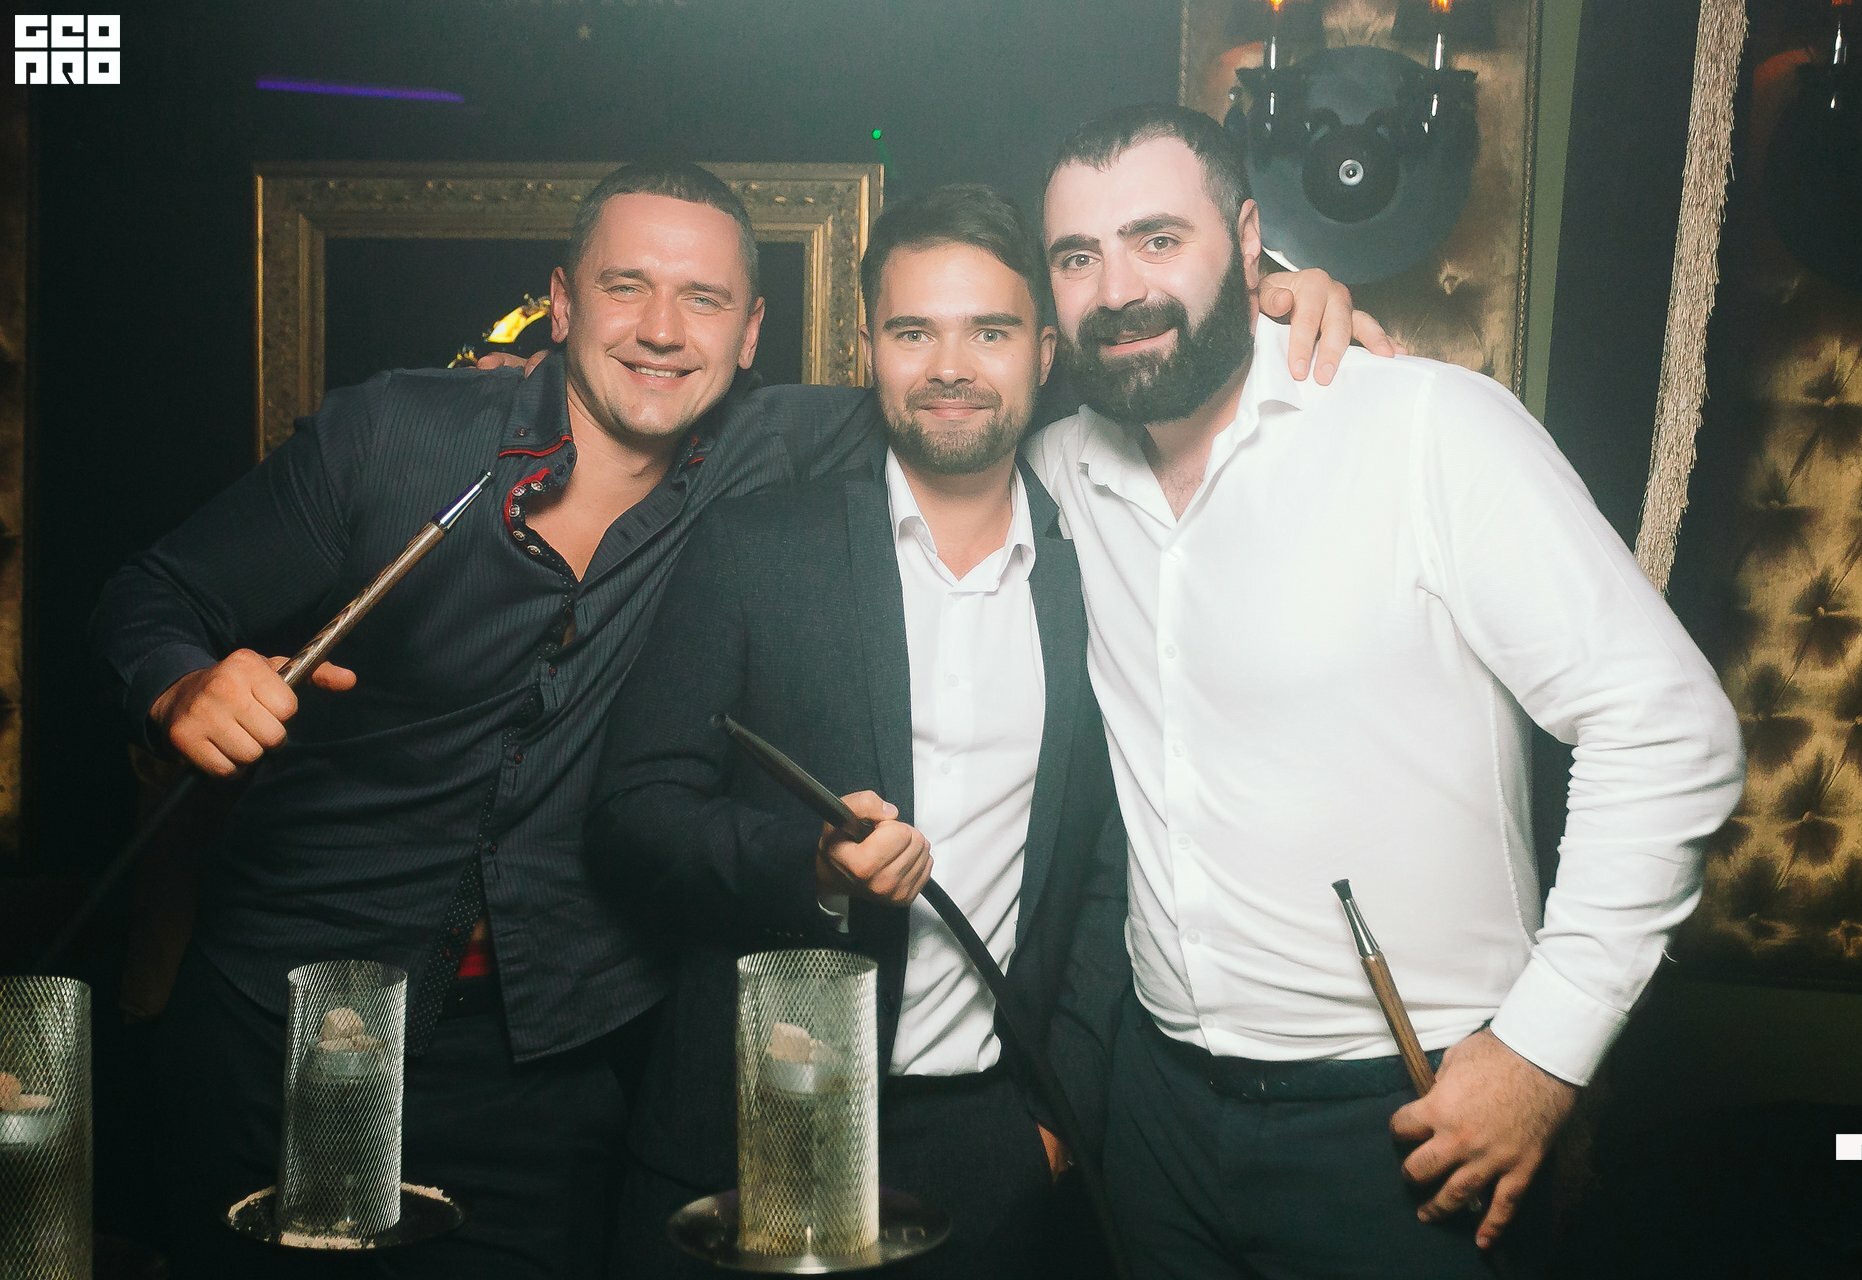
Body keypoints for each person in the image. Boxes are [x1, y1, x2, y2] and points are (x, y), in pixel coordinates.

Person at [89, 154, 1381, 1277]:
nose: (662, 331)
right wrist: (181, 683)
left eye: (703, 298)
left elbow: (985, 385)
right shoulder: (395, 435)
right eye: (625, 288)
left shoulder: (776, 450)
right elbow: (152, 592)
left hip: (547, 1056)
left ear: (755, 331)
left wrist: (1267, 301)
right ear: (560, 301)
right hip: (293, 1016)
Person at [1025, 105, 1746, 1279]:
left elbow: (1669, 727)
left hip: (1412, 1112)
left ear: (1246, 240)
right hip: (1155, 1111)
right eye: (1076, 257)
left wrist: (1544, 1049)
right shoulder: (1056, 470)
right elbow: (879, 438)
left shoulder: (1425, 426)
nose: (1117, 290)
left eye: (1158, 239)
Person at [584, 184, 1131, 1280]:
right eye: (913, 331)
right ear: (866, 348)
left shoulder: (1102, 574)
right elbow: (629, 818)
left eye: (990, 331)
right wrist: (812, 866)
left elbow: (1111, 873)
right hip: (746, 1136)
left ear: (1045, 353)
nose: (950, 366)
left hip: (987, 1151)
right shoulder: (755, 547)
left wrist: (1049, 1121)